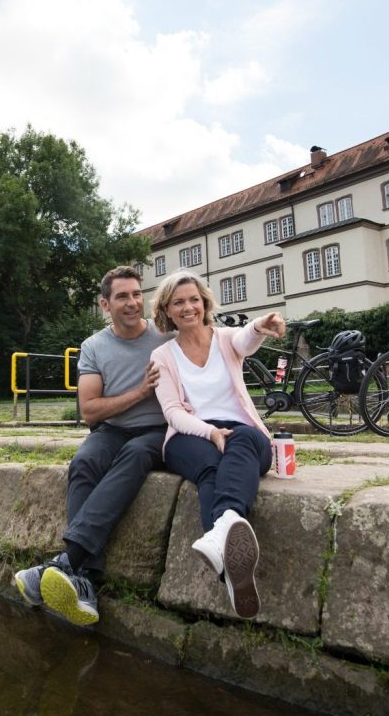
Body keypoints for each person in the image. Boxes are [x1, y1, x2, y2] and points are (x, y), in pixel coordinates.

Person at [14, 265, 170, 627]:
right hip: (111, 429)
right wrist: (140, 392)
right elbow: (90, 410)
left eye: (136, 294)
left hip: (159, 429)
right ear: (105, 304)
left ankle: (70, 566)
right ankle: (83, 579)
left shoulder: (166, 337)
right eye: (122, 297)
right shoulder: (94, 346)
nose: (132, 303)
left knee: (134, 455)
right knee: (83, 462)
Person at [148, 270, 285, 619]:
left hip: (240, 431)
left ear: (205, 302)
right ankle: (230, 541)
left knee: (241, 441)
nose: (188, 307)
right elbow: (173, 412)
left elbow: (246, 340)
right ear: (167, 309)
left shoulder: (225, 339)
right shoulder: (163, 356)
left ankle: (222, 528)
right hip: (189, 435)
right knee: (209, 465)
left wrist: (260, 324)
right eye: (178, 302)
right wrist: (209, 432)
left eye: (194, 299)